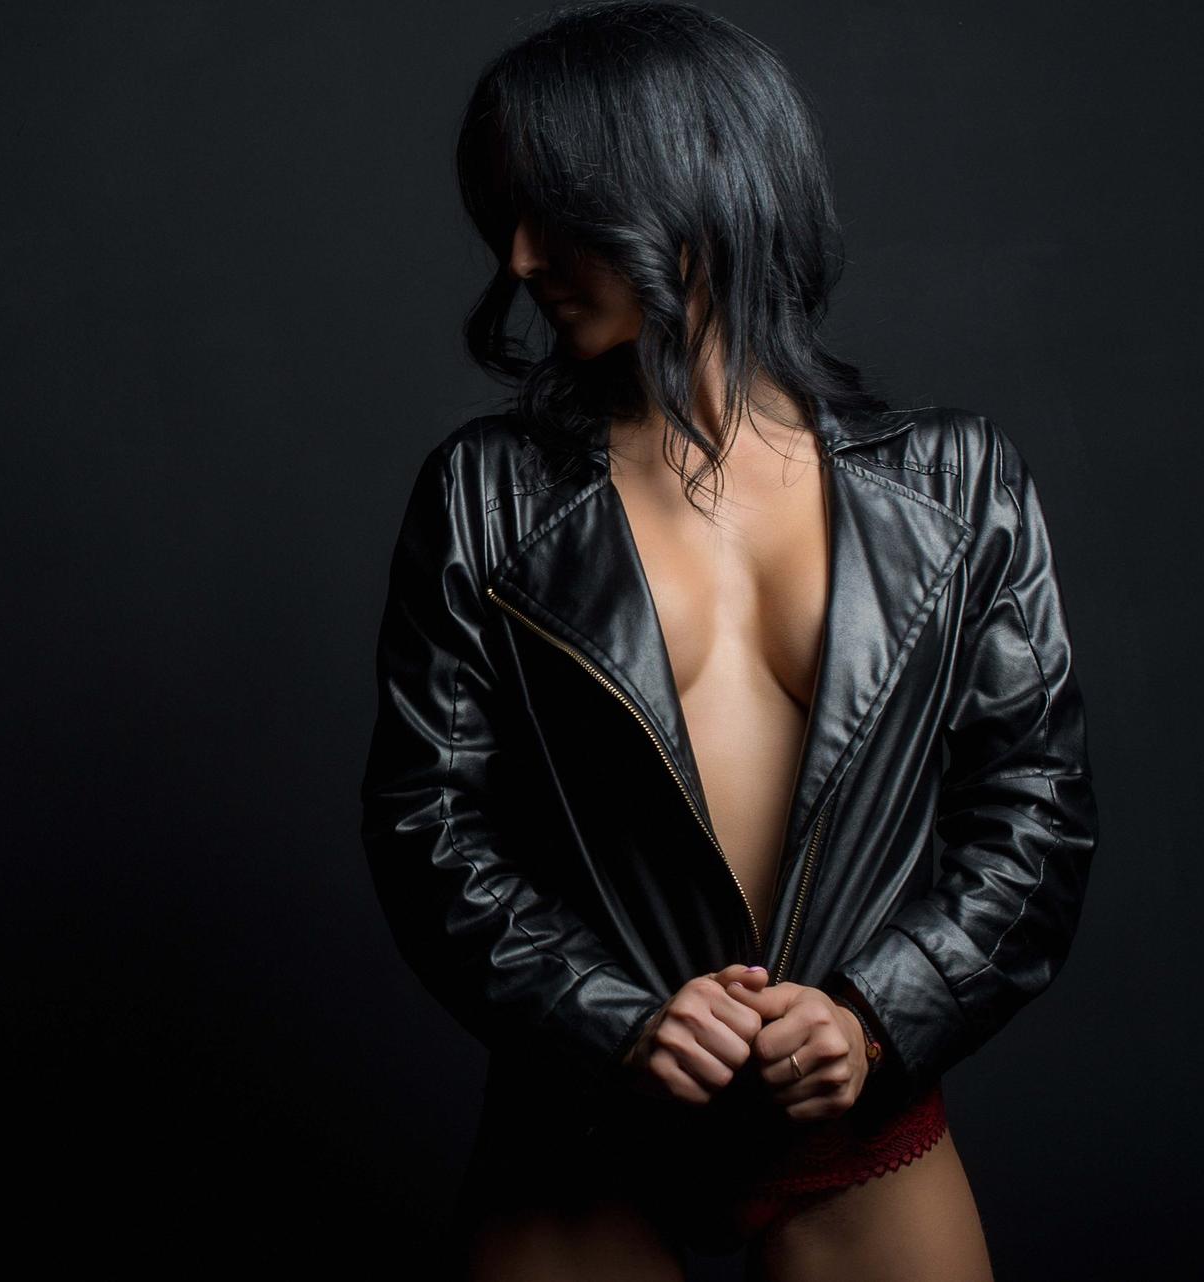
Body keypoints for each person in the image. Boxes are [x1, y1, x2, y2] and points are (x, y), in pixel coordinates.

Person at [356, 3, 1098, 1279]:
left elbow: (1037, 810)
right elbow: (426, 824)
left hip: (856, 1136)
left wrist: (874, 1018)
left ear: (687, 189)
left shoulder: (960, 483)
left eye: (553, 210)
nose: (519, 257)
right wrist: (613, 1021)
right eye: (506, 216)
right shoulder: (482, 495)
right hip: (581, 1133)